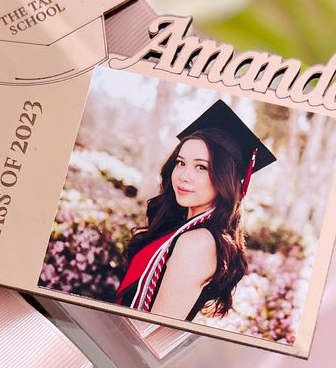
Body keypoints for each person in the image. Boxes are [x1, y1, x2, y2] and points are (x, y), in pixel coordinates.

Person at [115, 99, 276, 322]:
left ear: (224, 178)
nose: (183, 175)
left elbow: (151, 331)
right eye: (181, 163)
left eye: (201, 167)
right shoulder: (185, 229)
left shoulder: (197, 243)